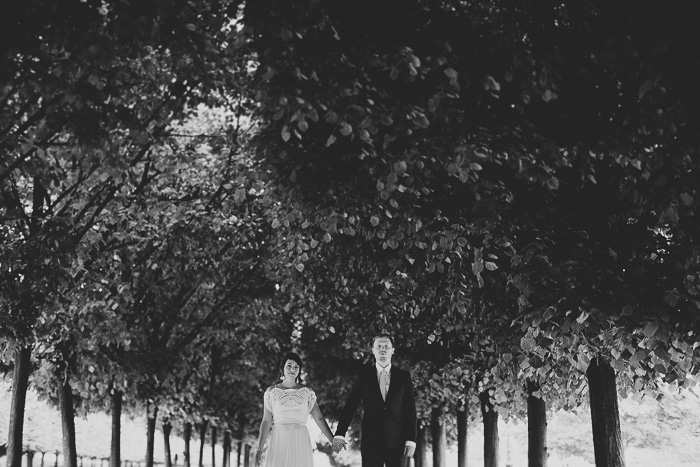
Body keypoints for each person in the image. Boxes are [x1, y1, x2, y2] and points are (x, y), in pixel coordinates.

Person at [332, 334, 417, 467]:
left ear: (392, 350)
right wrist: (340, 433)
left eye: (386, 346)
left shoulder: (404, 377)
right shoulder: (363, 376)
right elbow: (350, 406)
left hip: (398, 442)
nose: (382, 350)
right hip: (371, 442)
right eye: (379, 346)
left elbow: (410, 411)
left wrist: (411, 440)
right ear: (373, 350)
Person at [255, 352, 338, 467]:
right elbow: (266, 421)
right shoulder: (271, 392)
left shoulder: (307, 392)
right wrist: (259, 448)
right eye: (289, 366)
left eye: (296, 367)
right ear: (282, 368)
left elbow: (319, 418)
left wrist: (332, 439)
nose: (292, 369)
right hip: (279, 438)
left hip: (300, 438)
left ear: (299, 370)